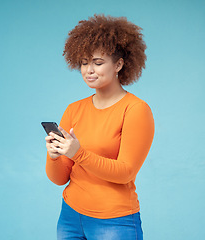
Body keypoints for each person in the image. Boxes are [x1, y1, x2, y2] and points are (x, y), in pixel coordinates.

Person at [45, 14, 154, 240]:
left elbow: (125, 172)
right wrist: (54, 156)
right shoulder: (74, 109)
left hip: (114, 221)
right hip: (70, 216)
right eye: (84, 62)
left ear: (119, 65)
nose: (89, 70)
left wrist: (79, 153)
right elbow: (59, 179)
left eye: (98, 62)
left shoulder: (135, 110)